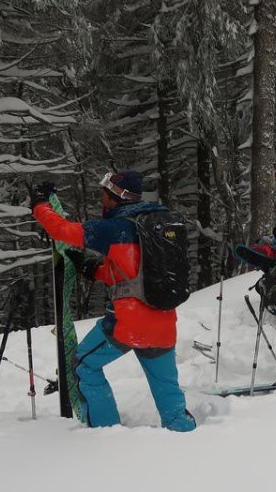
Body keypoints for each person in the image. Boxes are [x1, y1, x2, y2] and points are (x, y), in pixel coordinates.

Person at [29, 170, 196, 431]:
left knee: (83, 365)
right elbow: (135, 273)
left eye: (104, 194)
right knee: (167, 389)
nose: (101, 199)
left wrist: (40, 204)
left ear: (117, 196)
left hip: (129, 324)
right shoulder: (156, 224)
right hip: (163, 323)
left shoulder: (114, 228)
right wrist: (93, 269)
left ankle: (107, 433)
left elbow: (62, 231)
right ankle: (186, 434)